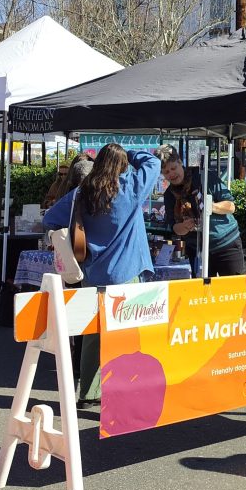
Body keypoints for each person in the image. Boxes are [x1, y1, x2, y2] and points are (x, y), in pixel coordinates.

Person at [43, 144, 161, 407]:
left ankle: (88, 393)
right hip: (126, 273)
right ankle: (123, 391)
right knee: (127, 335)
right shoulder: (131, 186)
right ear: (122, 166)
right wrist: (131, 153)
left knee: (92, 336)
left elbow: (50, 218)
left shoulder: (81, 193)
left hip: (92, 274)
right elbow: (153, 164)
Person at [156, 145, 246, 277]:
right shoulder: (169, 195)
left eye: (173, 168)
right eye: (166, 172)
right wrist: (184, 227)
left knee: (233, 291)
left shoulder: (203, 177)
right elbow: (174, 227)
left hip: (225, 244)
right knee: (203, 294)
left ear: (180, 162)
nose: (171, 174)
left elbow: (231, 206)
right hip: (198, 250)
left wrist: (209, 207)